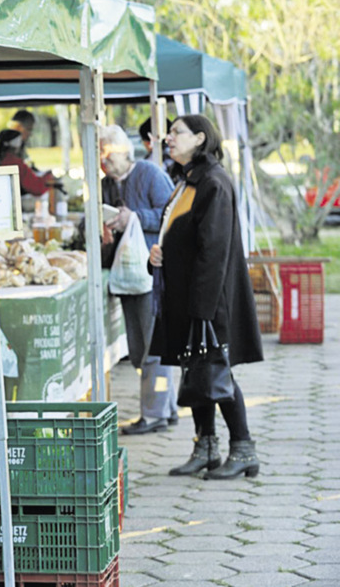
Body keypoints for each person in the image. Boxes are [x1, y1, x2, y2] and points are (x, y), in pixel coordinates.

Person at [149, 115, 263, 479]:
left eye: (177, 132)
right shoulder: (188, 180)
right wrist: (160, 252)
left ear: (200, 138)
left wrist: (202, 308)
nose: (169, 137)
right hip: (186, 296)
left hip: (209, 299)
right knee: (196, 369)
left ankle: (243, 448)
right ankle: (206, 447)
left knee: (217, 371)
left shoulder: (213, 181)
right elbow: (179, 232)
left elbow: (213, 250)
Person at [98, 124, 177, 435]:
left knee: (152, 344)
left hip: (150, 270)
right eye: (100, 153)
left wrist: (136, 218)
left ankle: (155, 411)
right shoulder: (104, 185)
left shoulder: (147, 173)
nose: (103, 159)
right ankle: (164, 409)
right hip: (125, 272)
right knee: (139, 343)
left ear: (123, 151)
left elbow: (170, 213)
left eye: (107, 152)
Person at [0, 128, 56, 197]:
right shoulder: (15, 162)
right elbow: (36, 188)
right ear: (17, 146)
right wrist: (49, 176)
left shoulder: (0, 159)